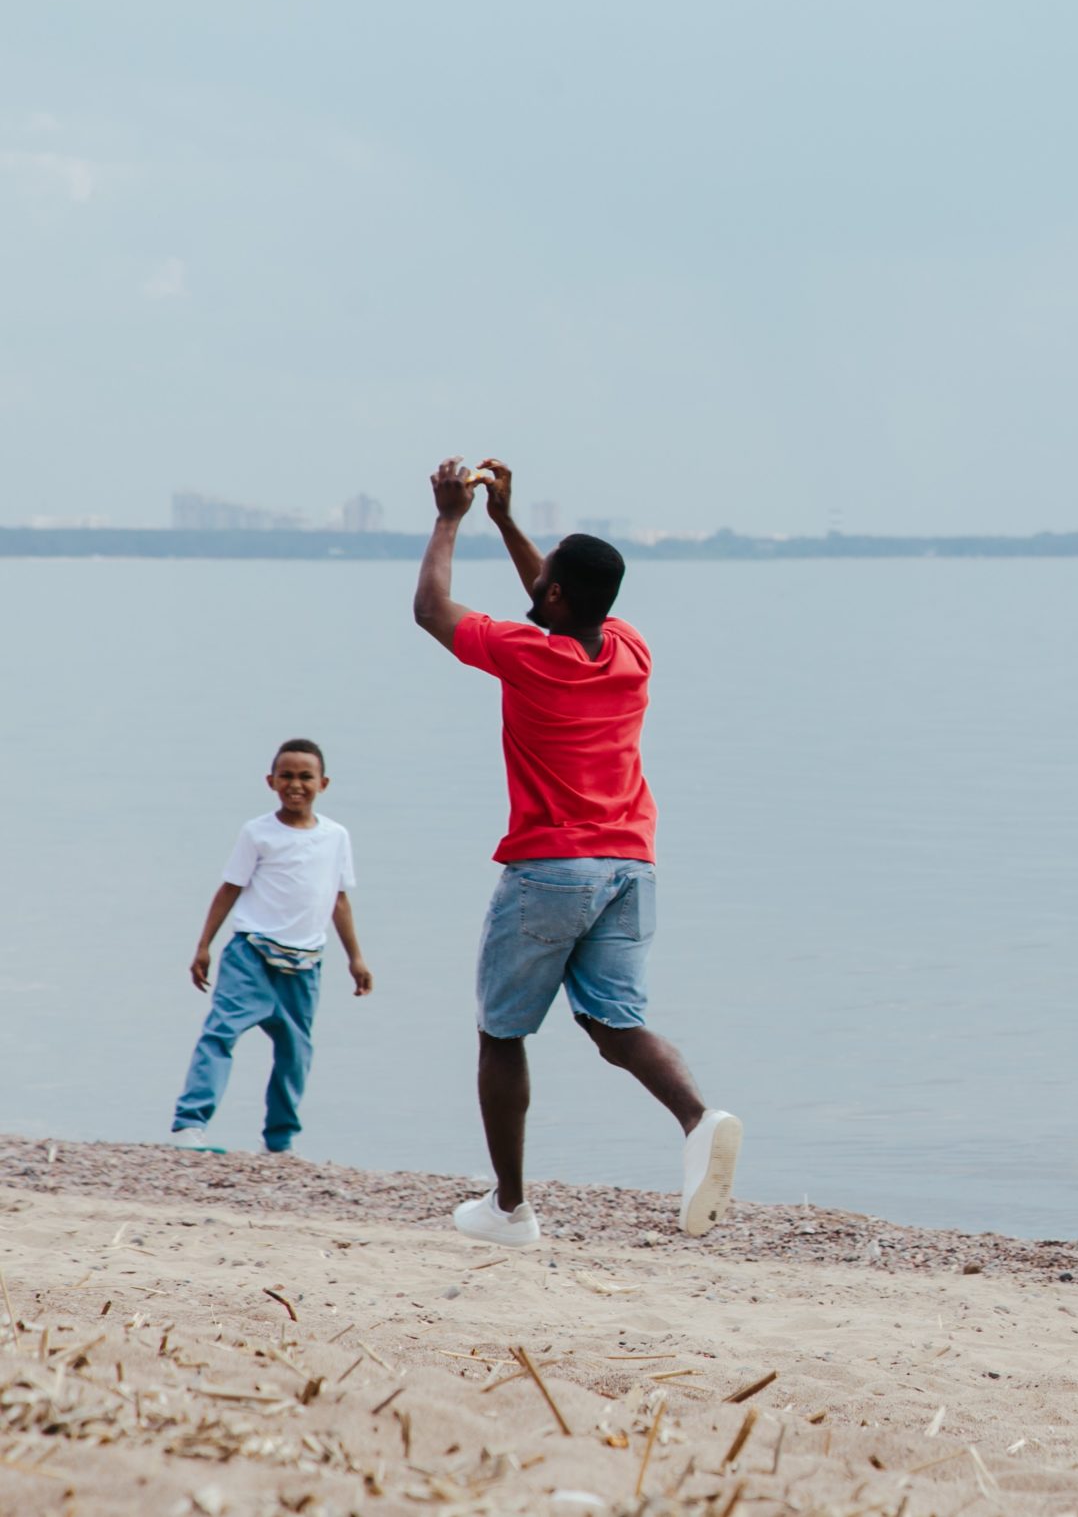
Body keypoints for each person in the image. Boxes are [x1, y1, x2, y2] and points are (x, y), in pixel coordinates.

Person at [413, 457, 742, 1249]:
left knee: (502, 1032)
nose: (539, 582)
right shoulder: (629, 649)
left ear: (555, 595)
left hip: (552, 869)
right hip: (631, 868)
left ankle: (511, 1208)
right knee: (615, 1028)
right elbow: (555, 597)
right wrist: (507, 521)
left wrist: (452, 517)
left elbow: (431, 610)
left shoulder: (530, 655)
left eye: (547, 576)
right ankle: (700, 1119)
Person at [170, 739, 372, 1154]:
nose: (295, 785)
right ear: (271, 781)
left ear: (323, 783)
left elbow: (338, 899)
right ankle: (189, 1127)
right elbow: (229, 889)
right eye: (287, 776)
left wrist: (356, 957)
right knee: (221, 1033)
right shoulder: (258, 833)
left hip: (306, 963)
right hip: (251, 954)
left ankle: (279, 1141)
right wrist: (204, 945)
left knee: (295, 1052)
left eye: (305, 777)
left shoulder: (336, 837)